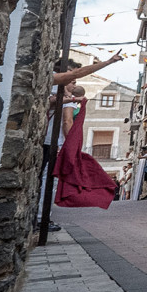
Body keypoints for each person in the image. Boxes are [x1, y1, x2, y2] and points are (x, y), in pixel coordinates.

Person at [37, 83, 84, 230]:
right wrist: (70, 145)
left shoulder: (63, 99)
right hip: (55, 144)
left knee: (45, 180)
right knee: (49, 181)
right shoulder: (66, 101)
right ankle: (42, 218)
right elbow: (67, 121)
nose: (74, 84)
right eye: (72, 81)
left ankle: (41, 217)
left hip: (50, 142)